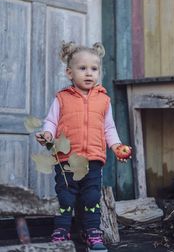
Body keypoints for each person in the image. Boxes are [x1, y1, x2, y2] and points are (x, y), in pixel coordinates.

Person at [35, 42, 131, 252]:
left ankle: (92, 232)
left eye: (94, 69)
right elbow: (51, 121)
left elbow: (109, 128)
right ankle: (62, 230)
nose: (89, 73)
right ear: (70, 73)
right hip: (67, 158)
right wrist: (47, 134)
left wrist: (116, 146)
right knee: (66, 195)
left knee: (91, 197)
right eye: (82, 68)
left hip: (93, 160)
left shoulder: (104, 100)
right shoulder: (62, 98)